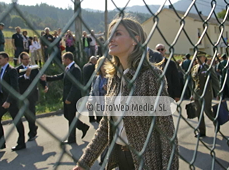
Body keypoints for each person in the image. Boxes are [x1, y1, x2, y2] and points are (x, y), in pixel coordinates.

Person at [74, 18, 178, 170]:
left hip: (147, 162)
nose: (111, 39)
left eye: (117, 33)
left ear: (135, 40)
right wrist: (84, 163)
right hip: (120, 160)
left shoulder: (151, 76)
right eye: (110, 34)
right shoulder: (114, 78)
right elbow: (106, 127)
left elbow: (166, 132)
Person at [41, 52, 89, 144]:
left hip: (72, 98)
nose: (62, 61)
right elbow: (61, 76)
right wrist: (47, 78)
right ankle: (83, 127)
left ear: (68, 59)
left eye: (63, 59)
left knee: (70, 117)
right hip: (67, 97)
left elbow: (75, 85)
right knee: (67, 115)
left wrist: (69, 98)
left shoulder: (75, 69)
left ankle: (72, 139)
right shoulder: (68, 68)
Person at [0, 52, 26, 152]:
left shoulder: (11, 70)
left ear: (6, 59)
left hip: (11, 100)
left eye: (0, 58)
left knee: (17, 121)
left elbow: (14, 87)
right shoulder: (1, 70)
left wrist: (9, 101)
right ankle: (1, 143)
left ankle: (21, 143)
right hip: (1, 100)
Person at [17, 52, 48, 141]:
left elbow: (40, 78)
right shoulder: (18, 69)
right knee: (26, 114)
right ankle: (34, 127)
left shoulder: (34, 69)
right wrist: (26, 75)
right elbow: (17, 81)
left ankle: (32, 133)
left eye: (28, 59)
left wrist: (45, 85)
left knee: (31, 113)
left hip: (32, 95)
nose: (27, 61)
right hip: (22, 95)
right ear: (21, 60)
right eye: (25, 59)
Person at [191, 51, 219, 138]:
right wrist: (192, 93)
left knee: (207, 111)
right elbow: (193, 82)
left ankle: (216, 121)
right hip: (197, 93)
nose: (198, 59)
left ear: (204, 58)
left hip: (206, 93)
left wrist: (217, 93)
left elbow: (215, 80)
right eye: (197, 57)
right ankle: (201, 131)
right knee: (199, 113)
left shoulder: (208, 67)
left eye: (200, 57)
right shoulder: (194, 68)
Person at [88, 56, 108, 123]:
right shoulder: (95, 78)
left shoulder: (112, 77)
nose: (104, 67)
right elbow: (92, 91)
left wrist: (108, 90)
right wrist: (90, 101)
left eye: (106, 64)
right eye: (102, 64)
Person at [82, 56, 98, 123]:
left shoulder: (85, 66)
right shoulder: (93, 67)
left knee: (89, 103)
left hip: (86, 86)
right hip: (92, 86)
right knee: (96, 102)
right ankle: (97, 117)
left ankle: (90, 117)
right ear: (94, 61)